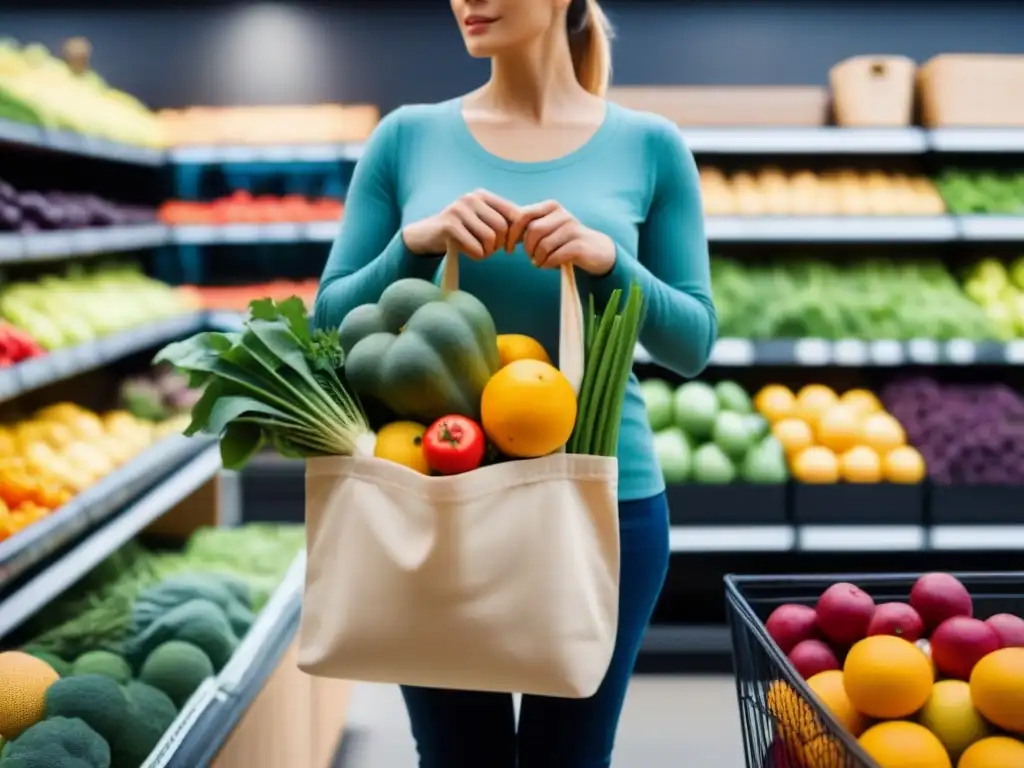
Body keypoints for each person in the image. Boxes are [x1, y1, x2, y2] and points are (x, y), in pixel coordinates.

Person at [313, 0, 716, 764]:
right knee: (458, 756)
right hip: (435, 498)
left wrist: (609, 263)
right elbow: (326, 324)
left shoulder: (651, 147)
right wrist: (414, 243)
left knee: (573, 756)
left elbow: (692, 343)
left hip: (606, 501)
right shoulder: (405, 138)